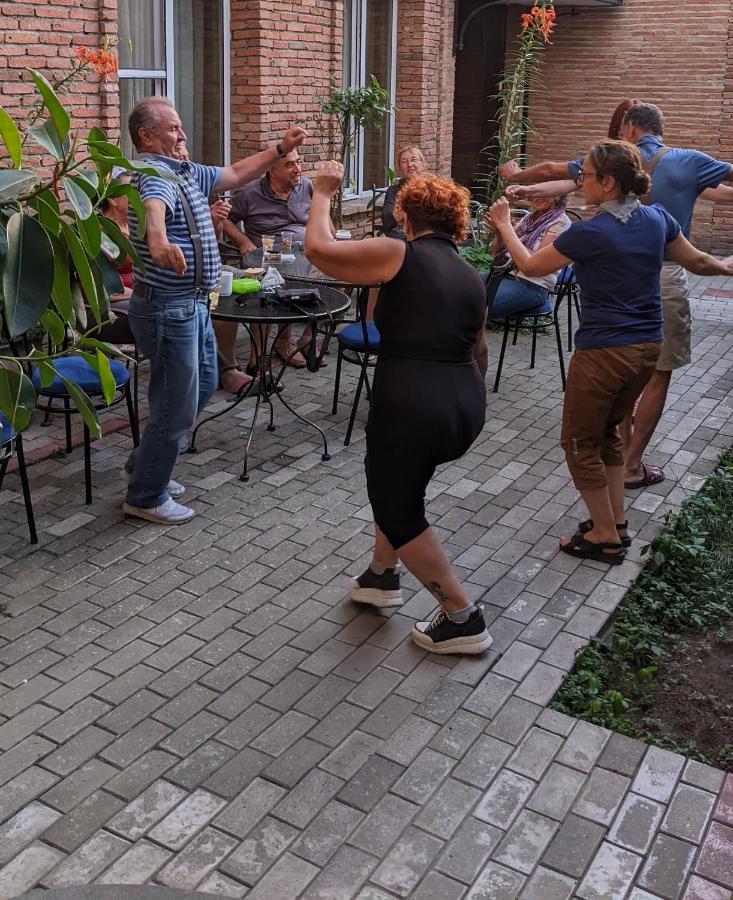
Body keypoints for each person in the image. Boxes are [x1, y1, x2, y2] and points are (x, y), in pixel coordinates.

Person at [488, 140, 733, 564]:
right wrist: (727, 267)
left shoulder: (589, 231)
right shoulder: (657, 218)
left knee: (580, 442)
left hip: (604, 353)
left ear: (608, 182)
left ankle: (605, 537)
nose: (579, 181)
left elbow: (529, 267)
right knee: (608, 436)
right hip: (646, 349)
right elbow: (697, 262)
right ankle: (615, 522)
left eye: (585, 175)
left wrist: (505, 224)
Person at [306, 161, 492, 656]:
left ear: (407, 219)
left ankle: (461, 617)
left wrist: (323, 194)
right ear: (455, 224)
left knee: (396, 504)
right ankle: (381, 576)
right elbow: (479, 349)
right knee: (401, 485)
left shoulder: (398, 253)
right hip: (464, 405)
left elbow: (320, 251)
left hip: (412, 407)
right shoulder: (470, 275)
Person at [121, 95, 305, 524]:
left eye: (181, 126)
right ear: (146, 135)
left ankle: (144, 465)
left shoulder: (187, 171)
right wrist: (158, 240)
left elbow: (238, 172)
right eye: (173, 128)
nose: (182, 135)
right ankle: (145, 495)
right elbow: (154, 207)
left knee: (205, 382)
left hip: (194, 304)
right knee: (175, 405)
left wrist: (279, 148)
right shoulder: (153, 174)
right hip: (170, 308)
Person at [224, 147, 314, 368]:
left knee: (341, 279)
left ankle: (308, 339)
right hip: (266, 255)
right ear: (271, 170)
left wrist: (330, 239)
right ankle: (281, 343)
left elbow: (318, 216)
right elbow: (225, 219)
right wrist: (243, 241)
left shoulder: (306, 186)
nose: (297, 169)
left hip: (305, 252)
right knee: (282, 280)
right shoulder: (251, 193)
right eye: (290, 164)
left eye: (298, 162)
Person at [173, 141, 252, 393]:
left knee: (252, 292)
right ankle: (225, 369)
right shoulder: (152, 206)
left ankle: (247, 363)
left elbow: (214, 241)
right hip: (170, 292)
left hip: (203, 279)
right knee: (221, 301)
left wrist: (215, 221)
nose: (186, 164)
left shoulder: (190, 197)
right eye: (181, 157)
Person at [484, 194, 570, 320]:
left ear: (557, 195)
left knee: (475, 306)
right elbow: (495, 251)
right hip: (504, 274)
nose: (537, 197)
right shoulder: (529, 218)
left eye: (543, 192)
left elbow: (537, 265)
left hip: (532, 285)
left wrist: (506, 228)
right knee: (457, 289)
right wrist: (500, 231)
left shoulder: (561, 223)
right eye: (535, 191)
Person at [381, 145, 427, 238]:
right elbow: (387, 219)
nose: (409, 164)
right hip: (401, 239)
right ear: (400, 168)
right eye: (404, 162)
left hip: (428, 238)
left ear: (422, 164)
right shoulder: (394, 191)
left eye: (413, 159)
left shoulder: (433, 189)